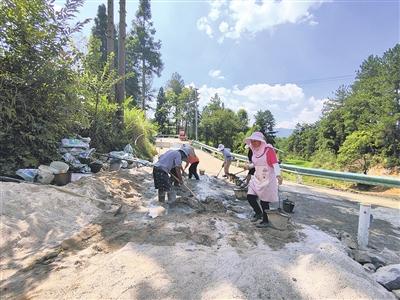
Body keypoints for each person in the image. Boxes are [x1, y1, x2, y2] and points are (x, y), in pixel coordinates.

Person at [244, 131, 283, 228]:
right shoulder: (254, 150)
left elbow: (275, 163)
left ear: (261, 141)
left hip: (267, 175)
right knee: (250, 197)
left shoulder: (268, 150)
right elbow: (256, 163)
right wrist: (249, 166)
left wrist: (278, 175)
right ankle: (258, 213)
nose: (253, 142)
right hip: (257, 175)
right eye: (252, 140)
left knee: (264, 201)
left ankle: (266, 221)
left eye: (256, 141)